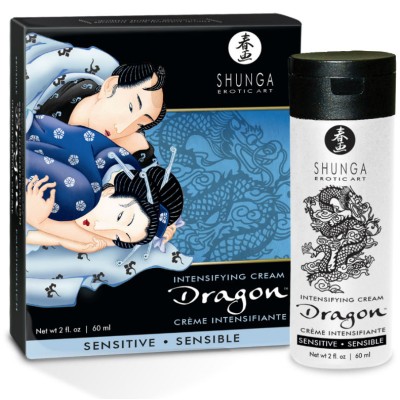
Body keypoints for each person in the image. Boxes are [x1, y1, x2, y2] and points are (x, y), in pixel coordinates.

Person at [25, 114, 183, 253]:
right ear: (110, 190)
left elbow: (100, 236)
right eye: (120, 217)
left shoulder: (122, 161)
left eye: (116, 236)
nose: (98, 228)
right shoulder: (80, 196)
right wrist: (38, 222)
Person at [33, 63, 166, 162]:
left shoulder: (133, 148)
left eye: (139, 125)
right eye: (130, 107)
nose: (120, 129)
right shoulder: (62, 97)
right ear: (111, 86)